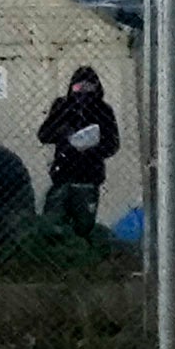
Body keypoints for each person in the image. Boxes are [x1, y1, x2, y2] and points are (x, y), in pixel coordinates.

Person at [37, 66, 119, 232]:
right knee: (53, 224)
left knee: (83, 226)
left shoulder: (103, 110)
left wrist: (91, 147)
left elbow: (112, 144)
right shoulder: (63, 106)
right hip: (63, 174)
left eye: (88, 87)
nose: (82, 93)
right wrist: (63, 130)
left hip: (89, 176)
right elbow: (44, 135)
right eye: (78, 87)